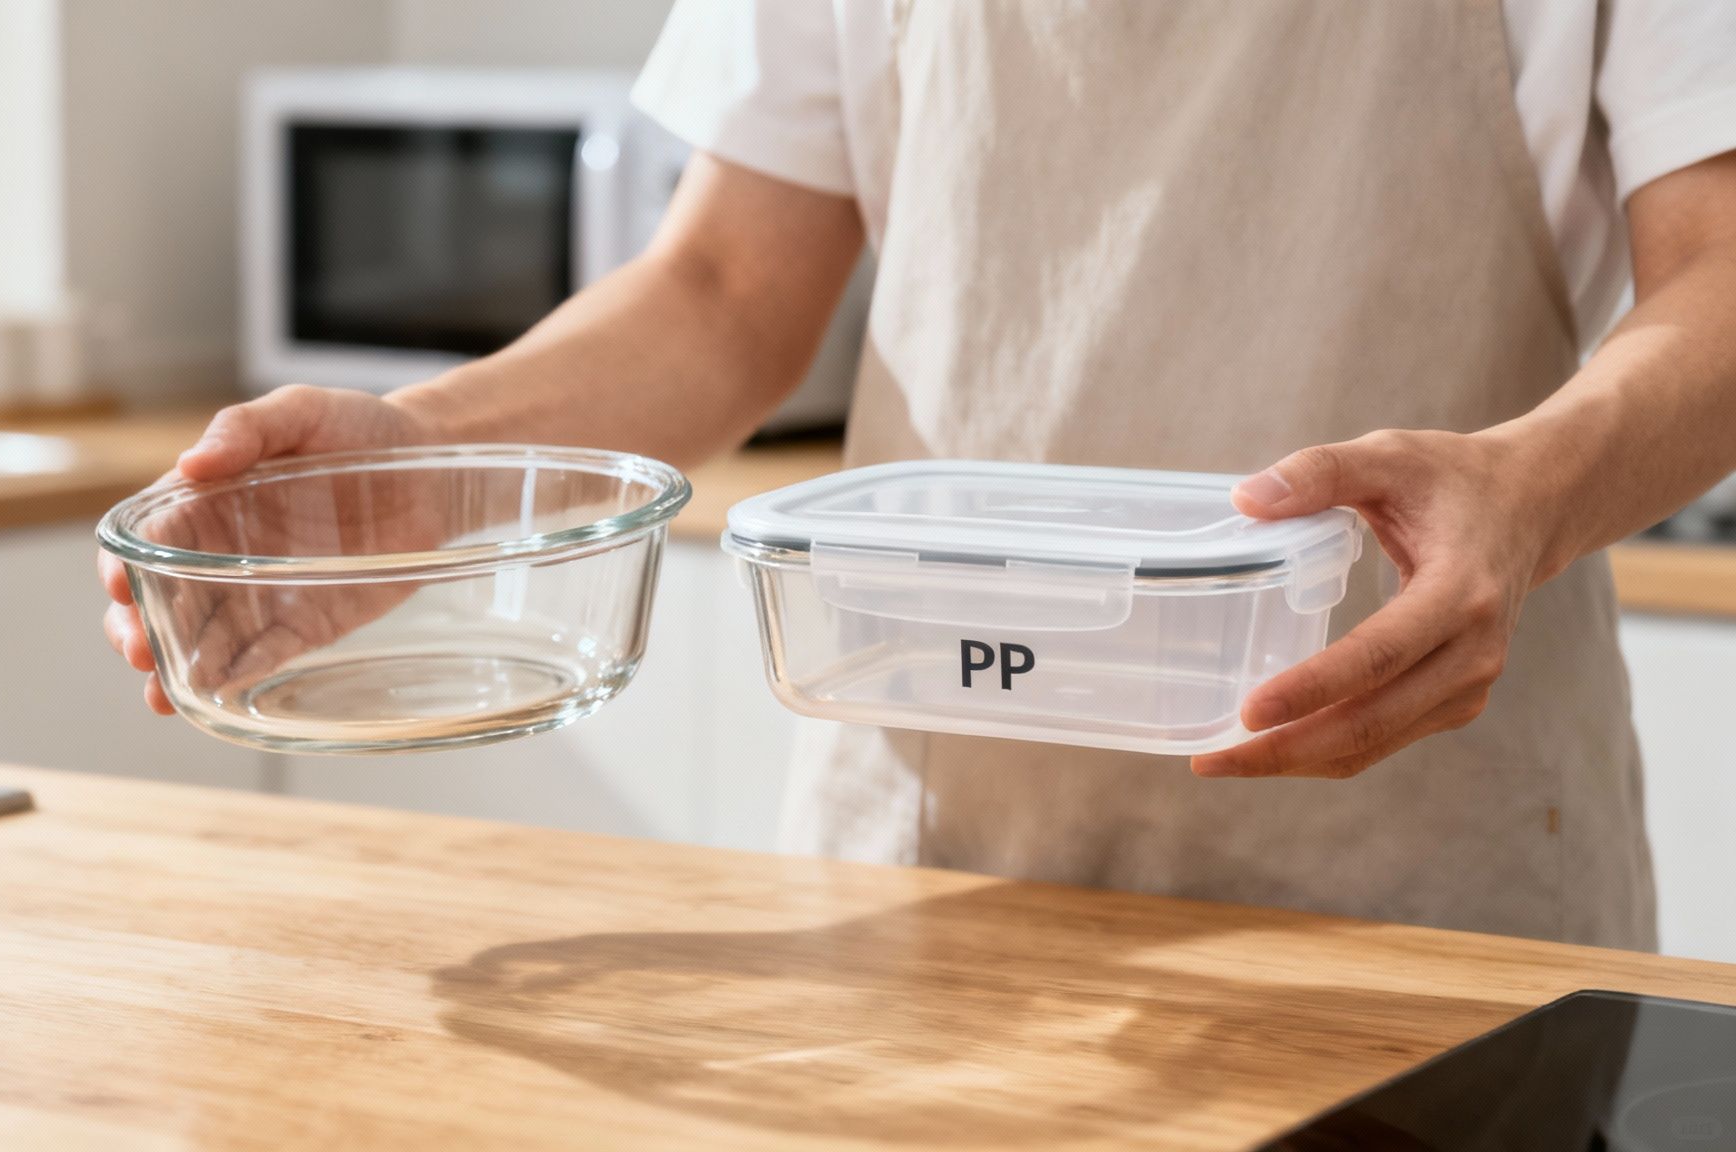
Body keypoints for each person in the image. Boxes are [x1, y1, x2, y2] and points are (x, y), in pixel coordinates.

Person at [103, 1, 1736, 949]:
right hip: (925, 879)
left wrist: (1524, 494)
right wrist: (437, 463)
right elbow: (729, 291)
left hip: (1418, 888)